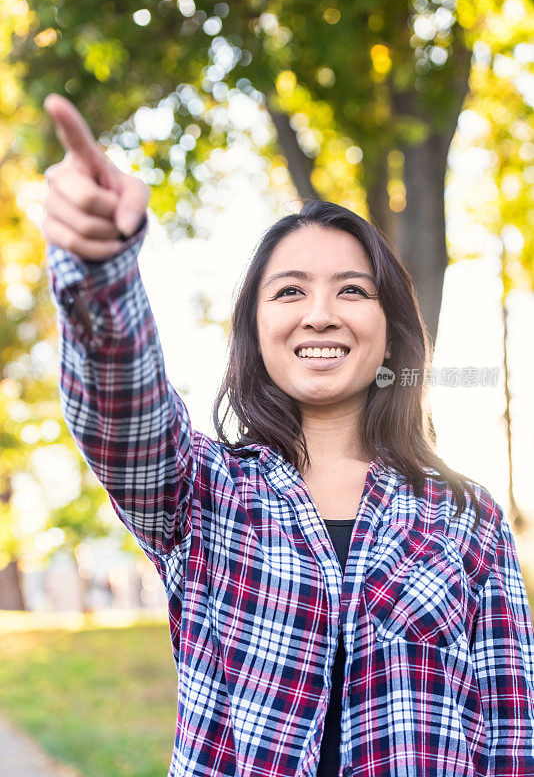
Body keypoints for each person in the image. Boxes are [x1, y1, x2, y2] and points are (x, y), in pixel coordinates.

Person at [43, 94, 534, 777]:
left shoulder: (466, 516)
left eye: (353, 291)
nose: (322, 315)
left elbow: (513, 741)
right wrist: (100, 269)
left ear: (390, 332)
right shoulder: (201, 493)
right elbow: (123, 410)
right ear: (256, 332)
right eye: (290, 292)